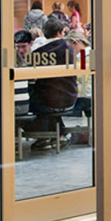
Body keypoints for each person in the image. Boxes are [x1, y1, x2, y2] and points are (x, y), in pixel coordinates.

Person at [28, 16, 78, 148]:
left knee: (33, 98)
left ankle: (44, 135)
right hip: (70, 99)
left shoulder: (37, 52)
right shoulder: (68, 49)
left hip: (47, 102)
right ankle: (59, 134)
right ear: (59, 32)